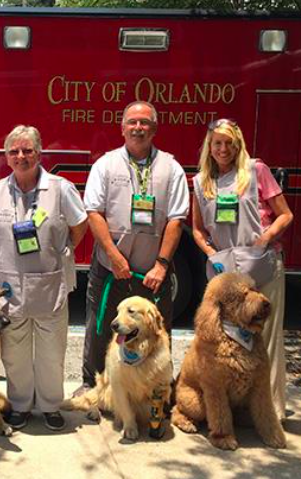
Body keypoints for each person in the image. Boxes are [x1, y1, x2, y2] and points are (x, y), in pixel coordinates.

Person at [0, 125, 88, 431]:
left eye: (27, 150)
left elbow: (80, 225)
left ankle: (51, 406)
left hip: (49, 284)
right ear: (7, 156)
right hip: (9, 288)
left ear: (39, 153)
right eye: (14, 151)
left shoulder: (60, 188)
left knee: (52, 352)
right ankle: (22, 405)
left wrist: (65, 250)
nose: (21, 156)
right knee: (14, 352)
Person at [77, 101, 189, 397]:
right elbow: (94, 212)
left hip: (154, 272)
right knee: (100, 328)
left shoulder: (171, 168)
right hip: (111, 268)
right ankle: (92, 386)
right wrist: (114, 257)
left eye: (144, 123)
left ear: (154, 128)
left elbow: (177, 219)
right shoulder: (106, 164)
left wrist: (162, 264)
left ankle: (157, 393)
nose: (138, 128)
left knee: (156, 333)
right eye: (132, 122)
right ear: (122, 127)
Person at [192, 119, 293, 421]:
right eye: (217, 143)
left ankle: (273, 411)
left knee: (267, 340)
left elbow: (285, 215)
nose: (223, 149)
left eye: (228, 143)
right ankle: (237, 409)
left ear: (238, 144)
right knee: (227, 341)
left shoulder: (256, 171)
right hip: (228, 275)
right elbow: (197, 230)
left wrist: (264, 238)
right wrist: (212, 254)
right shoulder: (200, 182)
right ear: (209, 147)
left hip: (262, 266)